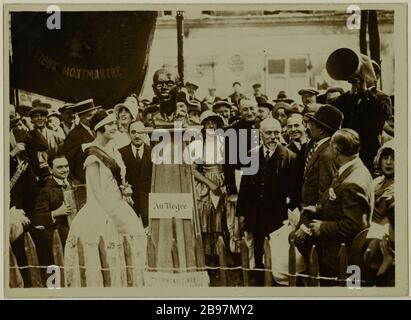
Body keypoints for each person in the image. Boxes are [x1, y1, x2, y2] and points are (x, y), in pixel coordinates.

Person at [64, 110, 146, 287]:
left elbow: (119, 179)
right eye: (109, 124)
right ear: (99, 128)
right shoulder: (92, 154)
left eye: (114, 124)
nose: (114, 127)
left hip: (120, 203)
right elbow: (97, 191)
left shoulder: (114, 149)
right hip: (101, 209)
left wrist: (126, 190)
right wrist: (116, 217)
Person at [306, 129, 374, 281]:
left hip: (343, 257)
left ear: (336, 151)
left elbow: (353, 224)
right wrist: (319, 208)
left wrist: (323, 226)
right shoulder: (354, 169)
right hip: (340, 253)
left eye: (330, 146)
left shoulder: (353, 183)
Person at [237, 118, 298, 285]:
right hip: (255, 213)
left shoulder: (289, 157)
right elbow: (244, 187)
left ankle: (274, 281)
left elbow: (294, 191)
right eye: (269, 133)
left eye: (277, 132)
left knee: (274, 249)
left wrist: (291, 214)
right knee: (257, 247)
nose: (273, 137)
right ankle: (258, 278)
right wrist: (241, 213)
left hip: (277, 215)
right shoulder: (251, 155)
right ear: (260, 134)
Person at [292, 105, 343, 260]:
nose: (308, 127)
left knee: (316, 261)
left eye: (312, 124)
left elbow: (325, 195)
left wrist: (306, 225)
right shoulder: (315, 147)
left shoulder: (327, 154)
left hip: (315, 221)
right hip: (309, 215)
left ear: (321, 129)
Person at [330, 55, 393, 171]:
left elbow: (380, 118)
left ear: (376, 77)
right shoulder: (350, 96)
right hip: (348, 149)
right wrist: (350, 94)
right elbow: (334, 108)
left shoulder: (381, 97)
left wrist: (365, 93)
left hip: (369, 150)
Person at [184, 111, 228, 267]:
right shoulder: (197, 144)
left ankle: (220, 257)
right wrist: (210, 184)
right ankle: (206, 259)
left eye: (214, 123)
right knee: (206, 219)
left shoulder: (224, 142)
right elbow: (192, 169)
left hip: (222, 181)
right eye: (208, 123)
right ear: (203, 126)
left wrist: (223, 183)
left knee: (221, 220)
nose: (211, 126)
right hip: (205, 182)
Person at [32, 154, 83, 281]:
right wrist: (55, 212)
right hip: (59, 235)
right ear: (50, 169)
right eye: (59, 167)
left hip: (77, 230)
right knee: (59, 273)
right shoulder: (46, 189)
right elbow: (37, 217)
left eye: (66, 166)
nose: (65, 169)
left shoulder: (75, 183)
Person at [119, 121, 153, 229]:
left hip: (148, 200)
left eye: (140, 132)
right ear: (128, 134)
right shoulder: (120, 153)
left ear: (145, 134)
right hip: (129, 201)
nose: (137, 135)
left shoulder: (153, 152)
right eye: (133, 132)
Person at [61, 99, 99, 183]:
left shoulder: (96, 131)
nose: (93, 118)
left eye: (94, 115)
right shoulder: (74, 135)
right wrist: (73, 179)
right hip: (84, 180)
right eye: (89, 115)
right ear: (80, 117)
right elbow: (66, 159)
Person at [26, 105, 64, 184]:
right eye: (36, 116)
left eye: (42, 116)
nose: (39, 118)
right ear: (32, 120)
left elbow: (61, 156)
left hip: (54, 174)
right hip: (34, 176)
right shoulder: (27, 137)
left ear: (46, 119)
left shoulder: (56, 136)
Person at [371, 140, 394, 225]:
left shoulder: (398, 186)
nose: (388, 162)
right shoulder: (377, 181)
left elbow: (377, 216)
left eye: (394, 158)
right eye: (385, 158)